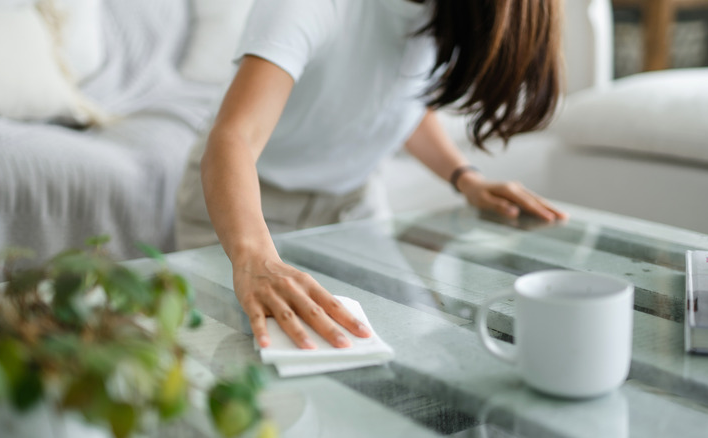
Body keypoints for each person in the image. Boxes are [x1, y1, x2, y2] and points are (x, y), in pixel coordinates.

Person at [176, 0, 568, 351]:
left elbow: (401, 101)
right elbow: (234, 138)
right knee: (243, 359)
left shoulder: (447, 12)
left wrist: (466, 178)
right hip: (245, 205)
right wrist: (254, 258)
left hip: (351, 203)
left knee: (390, 343)